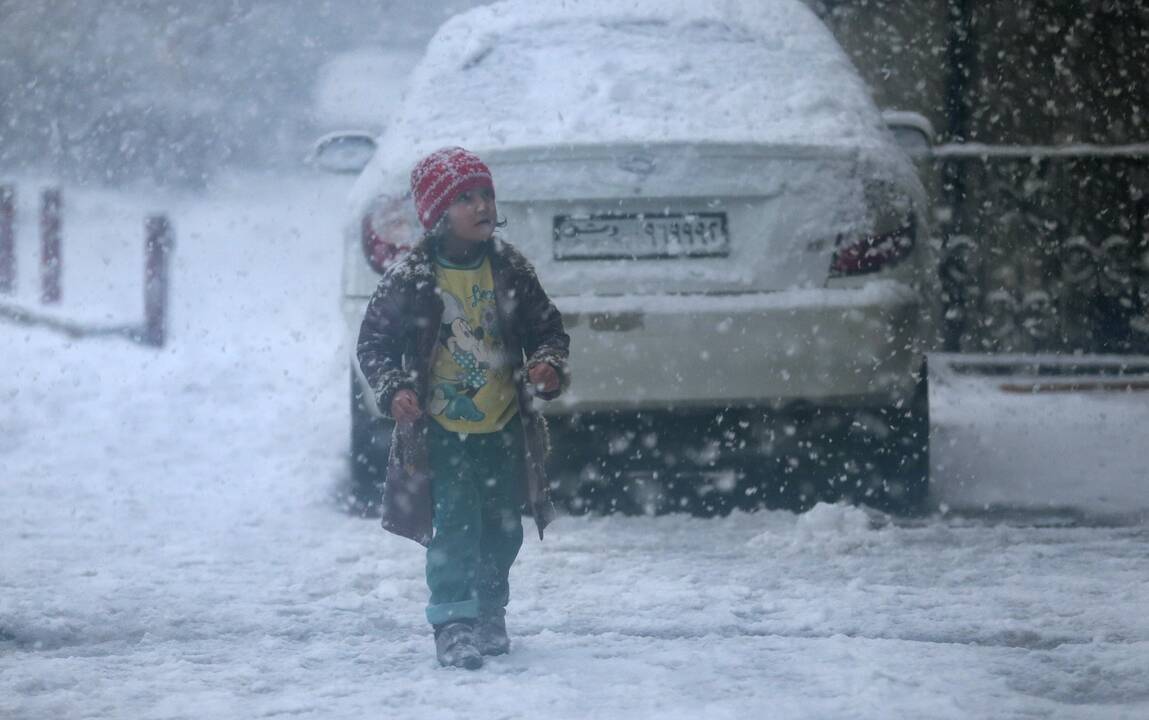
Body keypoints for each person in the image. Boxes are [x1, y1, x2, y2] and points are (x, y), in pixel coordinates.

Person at [357, 147, 570, 669]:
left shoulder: (509, 266)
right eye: (465, 198)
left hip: (502, 425)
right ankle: (453, 620)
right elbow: (374, 344)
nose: (481, 206)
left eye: (486, 194)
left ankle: (490, 609)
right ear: (436, 213)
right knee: (455, 523)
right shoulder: (412, 276)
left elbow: (547, 328)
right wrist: (393, 390)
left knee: (502, 524)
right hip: (441, 428)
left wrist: (546, 363)